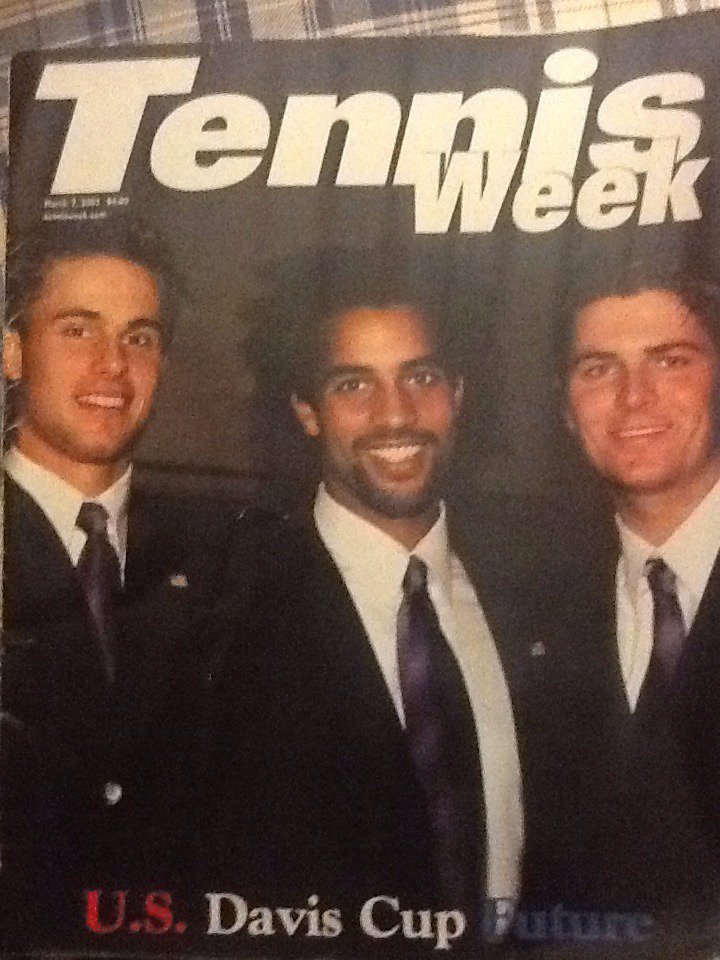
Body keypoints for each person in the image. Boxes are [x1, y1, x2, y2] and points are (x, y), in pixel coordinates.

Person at [201, 249, 524, 953]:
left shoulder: (536, 599)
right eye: (354, 384)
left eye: (422, 376)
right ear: (306, 411)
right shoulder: (225, 618)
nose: (396, 413)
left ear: (458, 393)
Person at [0, 220, 244, 945]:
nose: (113, 364)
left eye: (139, 337)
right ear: (12, 350)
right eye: (78, 330)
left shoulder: (226, 556)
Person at [554, 263, 720, 939]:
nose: (633, 398)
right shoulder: (531, 606)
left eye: (670, 361)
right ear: (566, 409)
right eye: (598, 369)